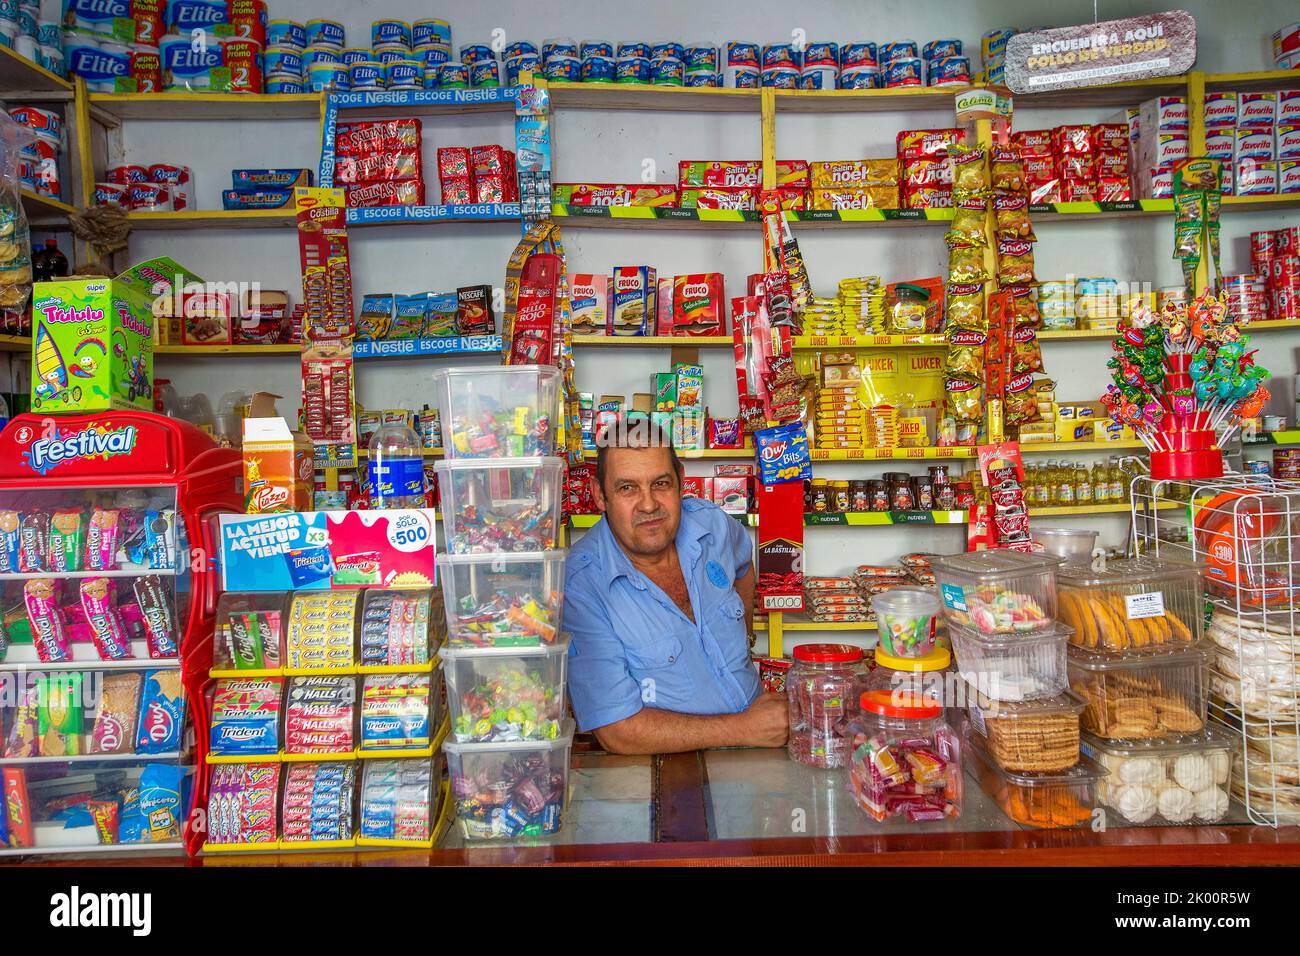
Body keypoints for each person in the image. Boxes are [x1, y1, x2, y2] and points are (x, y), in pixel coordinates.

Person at [564, 419, 789, 755]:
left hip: (760, 751)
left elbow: (743, 566)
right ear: (600, 495)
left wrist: (744, 639)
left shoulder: (711, 525)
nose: (649, 504)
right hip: (670, 773)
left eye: (661, 484)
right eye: (627, 488)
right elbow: (617, 731)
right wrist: (746, 728)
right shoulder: (581, 584)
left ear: (681, 481)